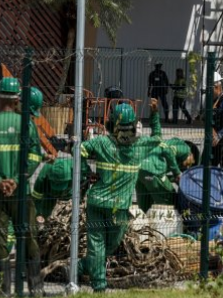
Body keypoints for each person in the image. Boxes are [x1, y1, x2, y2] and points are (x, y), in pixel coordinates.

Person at [79, 99, 163, 293]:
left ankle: (82, 268)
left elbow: (80, 149)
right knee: (108, 245)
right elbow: (157, 138)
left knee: (98, 245)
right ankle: (99, 286)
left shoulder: (101, 142)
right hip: (118, 209)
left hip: (96, 203)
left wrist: (86, 171)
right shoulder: (139, 147)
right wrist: (155, 114)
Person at [0, 77, 43, 297]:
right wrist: (16, 180)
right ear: (16, 100)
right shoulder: (27, 124)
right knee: (29, 239)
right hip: (21, 194)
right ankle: (36, 289)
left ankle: (2, 290)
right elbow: (34, 157)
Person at [136, 137, 194, 212]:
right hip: (153, 171)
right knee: (170, 197)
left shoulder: (171, 152)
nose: (187, 166)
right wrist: (177, 173)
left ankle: (145, 220)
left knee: (145, 202)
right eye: (190, 163)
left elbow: (165, 178)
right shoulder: (185, 149)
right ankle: (170, 219)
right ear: (191, 155)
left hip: (141, 172)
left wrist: (174, 179)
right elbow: (169, 151)